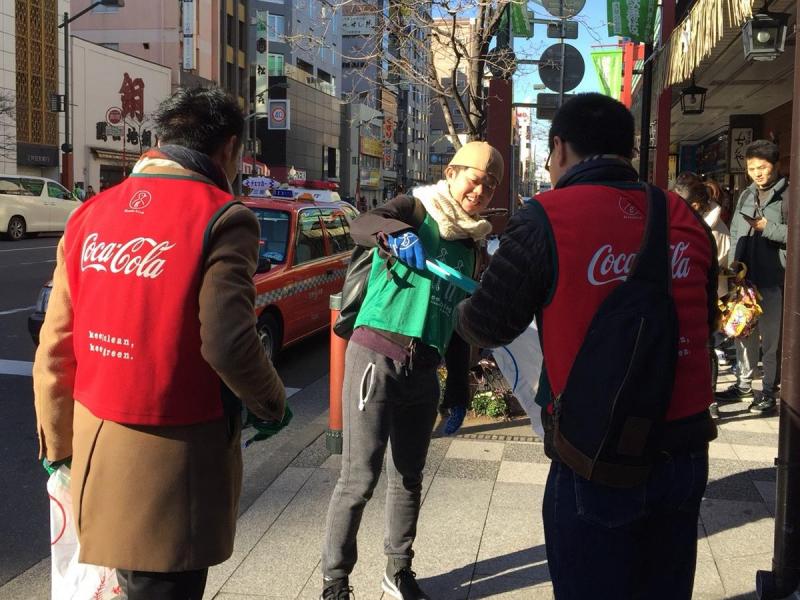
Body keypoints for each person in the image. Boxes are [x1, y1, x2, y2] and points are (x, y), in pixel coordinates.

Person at [455, 93, 718, 599]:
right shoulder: (683, 216)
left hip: (597, 454)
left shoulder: (547, 216)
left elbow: (487, 325)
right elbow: (705, 322)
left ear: (559, 149)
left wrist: (459, 308)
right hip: (685, 450)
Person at [33, 87, 287, 600]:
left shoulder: (89, 215)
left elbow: (56, 344)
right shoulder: (224, 216)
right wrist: (271, 403)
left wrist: (58, 447)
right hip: (178, 468)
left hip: (96, 453)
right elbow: (228, 341)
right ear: (229, 148)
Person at [320, 141, 503, 600]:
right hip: (376, 354)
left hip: (425, 369)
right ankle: (334, 582)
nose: (478, 192)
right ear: (453, 173)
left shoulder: (472, 246)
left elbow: (460, 325)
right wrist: (393, 233)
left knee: (408, 476)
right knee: (358, 479)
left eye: (489, 186)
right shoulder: (417, 208)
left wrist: (458, 389)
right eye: (474, 179)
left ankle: (398, 570)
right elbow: (362, 223)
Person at [717, 139, 788, 415]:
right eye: (752, 168)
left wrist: (767, 228)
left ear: (776, 165)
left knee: (770, 340)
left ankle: (768, 390)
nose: (758, 173)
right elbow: (736, 232)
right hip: (746, 282)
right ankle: (744, 383)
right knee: (743, 334)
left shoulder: (789, 196)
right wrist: (735, 264)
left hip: (773, 280)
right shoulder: (746, 194)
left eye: (763, 167)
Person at [673, 181, 731, 418]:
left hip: (710, 296)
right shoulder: (691, 222)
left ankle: (709, 399)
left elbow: (716, 266)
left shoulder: (713, 228)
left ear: (695, 205)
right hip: (694, 293)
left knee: (707, 347)